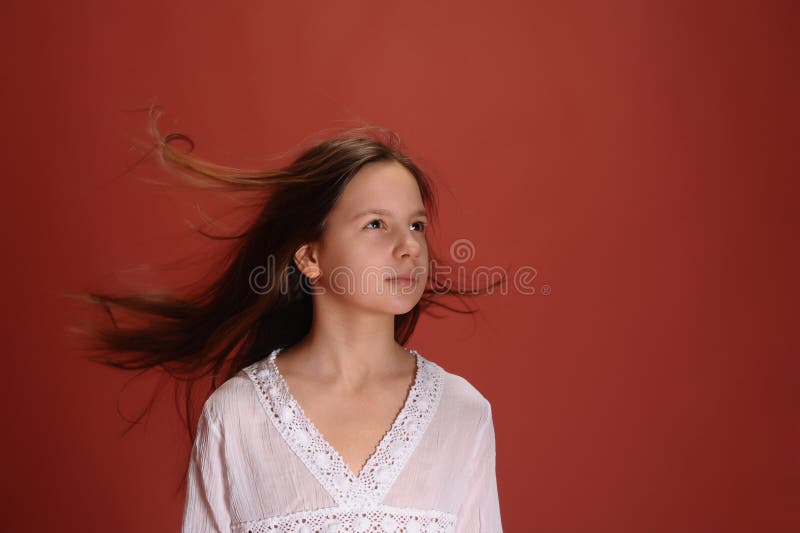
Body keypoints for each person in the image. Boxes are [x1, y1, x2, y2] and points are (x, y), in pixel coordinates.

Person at [75, 109, 504, 532]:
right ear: (311, 257)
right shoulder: (236, 415)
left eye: (416, 225)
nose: (409, 246)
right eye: (376, 224)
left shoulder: (462, 412)